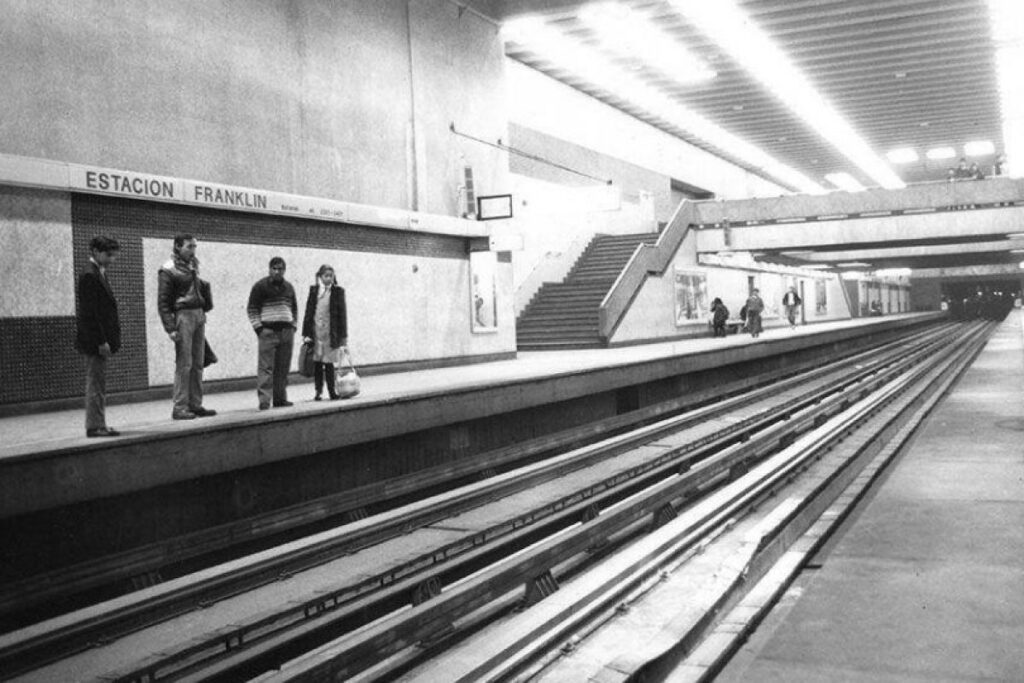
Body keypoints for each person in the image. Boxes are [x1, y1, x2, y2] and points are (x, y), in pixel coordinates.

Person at [158, 233, 216, 420]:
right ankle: (180, 407)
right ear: (177, 247)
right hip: (183, 316)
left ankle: (195, 404)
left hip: (199, 314)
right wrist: (170, 328)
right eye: (189, 247)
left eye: (194, 247)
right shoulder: (168, 269)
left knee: (198, 363)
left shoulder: (193, 265)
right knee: (184, 363)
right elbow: (163, 302)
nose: (193, 250)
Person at [76, 236, 122, 437]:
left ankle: (99, 423)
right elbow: (89, 314)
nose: (112, 259)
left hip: (99, 339)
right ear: (95, 251)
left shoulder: (98, 273)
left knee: (99, 383)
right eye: (108, 255)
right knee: (95, 384)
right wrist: (101, 341)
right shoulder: (90, 275)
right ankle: (95, 426)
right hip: (95, 341)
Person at [248, 256, 299, 410]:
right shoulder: (260, 286)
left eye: (281, 269)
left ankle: (280, 398)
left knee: (283, 367)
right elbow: (252, 309)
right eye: (274, 268)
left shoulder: (289, 287)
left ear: (284, 270)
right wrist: (259, 329)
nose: (277, 272)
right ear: (269, 269)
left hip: (286, 331)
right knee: (266, 367)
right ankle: (264, 400)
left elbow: (294, 309)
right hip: (268, 331)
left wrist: (293, 326)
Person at [302, 264, 348, 401]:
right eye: (326, 276)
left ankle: (332, 391)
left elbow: (342, 315)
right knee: (317, 363)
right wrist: (306, 334)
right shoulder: (314, 291)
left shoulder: (338, 292)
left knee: (328, 363)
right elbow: (308, 312)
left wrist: (343, 336)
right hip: (316, 332)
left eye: (331, 276)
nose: (328, 278)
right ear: (320, 277)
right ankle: (318, 392)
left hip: (330, 333)